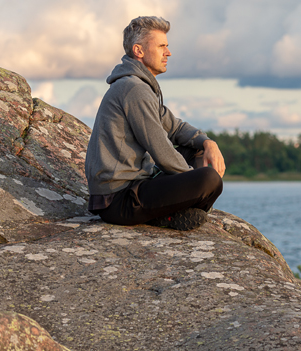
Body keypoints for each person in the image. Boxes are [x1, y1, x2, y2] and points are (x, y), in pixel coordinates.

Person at [84, 16, 225, 230]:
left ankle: (178, 211)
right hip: (118, 199)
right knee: (209, 180)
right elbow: (162, 151)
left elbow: (176, 128)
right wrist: (195, 185)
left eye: (167, 46)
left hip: (136, 186)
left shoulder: (141, 86)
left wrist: (208, 143)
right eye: (161, 46)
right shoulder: (133, 89)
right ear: (138, 51)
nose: (168, 53)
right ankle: (169, 215)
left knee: (196, 150)